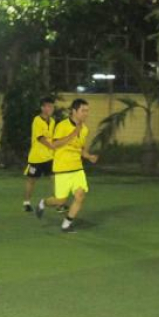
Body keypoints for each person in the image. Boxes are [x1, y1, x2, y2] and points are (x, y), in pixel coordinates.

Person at [35, 99, 99, 233]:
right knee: (59, 201)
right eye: (83, 111)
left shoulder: (85, 129)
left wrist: (88, 156)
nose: (86, 114)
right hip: (62, 168)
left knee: (80, 195)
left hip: (77, 168)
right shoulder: (62, 126)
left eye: (87, 111)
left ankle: (66, 224)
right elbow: (55, 145)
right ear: (74, 111)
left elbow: (79, 148)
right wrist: (74, 133)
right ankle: (43, 203)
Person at [23, 97, 57, 212]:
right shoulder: (37, 120)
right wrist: (51, 146)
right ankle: (27, 202)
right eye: (47, 106)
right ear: (42, 108)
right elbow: (40, 138)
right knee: (31, 181)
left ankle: (57, 202)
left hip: (49, 157)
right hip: (36, 158)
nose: (50, 108)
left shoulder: (52, 121)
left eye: (52, 106)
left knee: (55, 179)